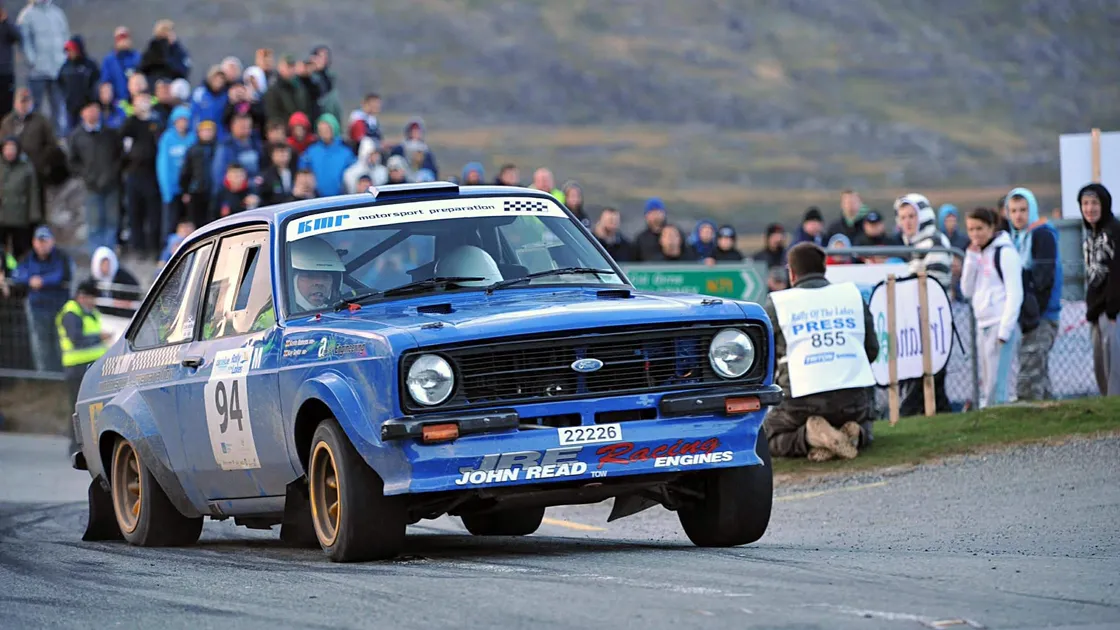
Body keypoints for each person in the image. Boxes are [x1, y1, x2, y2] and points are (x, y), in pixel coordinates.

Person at [763, 242, 879, 461]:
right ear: (824, 268)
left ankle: (810, 437)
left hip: (801, 403)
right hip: (853, 401)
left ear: (792, 273)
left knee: (766, 437)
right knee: (867, 426)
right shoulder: (852, 296)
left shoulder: (779, 303)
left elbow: (764, 360)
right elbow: (871, 351)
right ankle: (854, 434)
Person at [893, 193, 953, 414]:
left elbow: (934, 285)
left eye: (912, 216)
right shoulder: (913, 246)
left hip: (934, 322)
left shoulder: (934, 242)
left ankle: (906, 414)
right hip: (915, 324)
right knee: (931, 384)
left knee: (929, 377)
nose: (907, 222)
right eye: (903, 217)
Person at [960, 207, 1022, 408]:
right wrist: (970, 259)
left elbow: (1015, 293)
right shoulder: (978, 254)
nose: (975, 234)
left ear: (991, 227)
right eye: (971, 229)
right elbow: (967, 290)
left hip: (999, 324)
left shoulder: (1005, 253)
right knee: (987, 383)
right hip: (983, 324)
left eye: (979, 228)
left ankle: (1000, 417)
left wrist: (1005, 330)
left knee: (998, 384)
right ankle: (991, 415)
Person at [1005, 187, 1062, 401]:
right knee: (1039, 372)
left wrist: (1034, 313)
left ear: (1032, 210)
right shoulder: (1016, 237)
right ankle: (1048, 409)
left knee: (1029, 375)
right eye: (1013, 211)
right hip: (1026, 315)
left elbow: (1044, 279)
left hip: (1041, 315)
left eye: (1023, 210)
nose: (1018, 215)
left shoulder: (1042, 234)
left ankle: (1028, 410)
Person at [56, 279, 110, 457]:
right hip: (77, 368)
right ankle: (76, 447)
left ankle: (90, 446)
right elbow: (76, 339)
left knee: (92, 408)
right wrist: (99, 337)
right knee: (78, 409)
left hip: (92, 367)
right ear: (82, 297)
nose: (93, 302)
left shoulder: (91, 313)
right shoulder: (71, 313)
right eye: (91, 298)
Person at [11, 225, 71, 371]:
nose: (42, 245)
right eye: (39, 241)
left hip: (59, 308)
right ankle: (45, 377)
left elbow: (62, 275)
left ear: (52, 241)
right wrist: (30, 280)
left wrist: (42, 281)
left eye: (45, 241)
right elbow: (16, 275)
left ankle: (62, 376)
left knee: (60, 344)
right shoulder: (28, 257)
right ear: (34, 242)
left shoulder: (61, 257)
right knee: (41, 346)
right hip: (37, 309)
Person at [1079, 184, 1120, 395]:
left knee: (1114, 368)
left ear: (1104, 205)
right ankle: (1107, 405)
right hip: (1096, 310)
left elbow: (1117, 273)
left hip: (1112, 312)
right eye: (1085, 203)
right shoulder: (1090, 237)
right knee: (1100, 366)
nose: (1090, 208)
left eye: (1095, 203)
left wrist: (1112, 310)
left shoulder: (1114, 232)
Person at [68, 100, 122, 251]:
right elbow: (72, 161)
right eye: (89, 109)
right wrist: (86, 175)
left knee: (111, 221)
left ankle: (109, 255)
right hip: (91, 186)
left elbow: (119, 155)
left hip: (111, 184)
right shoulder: (76, 136)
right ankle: (96, 256)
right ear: (82, 113)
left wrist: (112, 173)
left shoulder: (110, 133)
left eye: (95, 109)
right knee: (94, 224)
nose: (92, 112)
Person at [121, 91, 164, 257]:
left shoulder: (156, 121)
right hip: (133, 172)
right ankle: (138, 247)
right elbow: (122, 139)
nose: (143, 104)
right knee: (135, 212)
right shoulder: (131, 122)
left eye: (145, 100)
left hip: (151, 173)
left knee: (153, 213)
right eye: (139, 101)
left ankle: (153, 246)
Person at [17, 0, 69, 135]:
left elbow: (65, 37)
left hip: (58, 70)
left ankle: (58, 139)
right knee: (35, 108)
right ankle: (34, 137)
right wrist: (33, 61)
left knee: (58, 107)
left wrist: (64, 58)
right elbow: (24, 42)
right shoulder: (26, 15)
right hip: (37, 71)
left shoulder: (57, 13)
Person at [156, 105, 194, 240]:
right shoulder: (167, 138)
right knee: (170, 222)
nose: (183, 123)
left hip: (188, 189)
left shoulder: (192, 138)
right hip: (171, 190)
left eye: (185, 120)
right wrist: (166, 190)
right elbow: (163, 165)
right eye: (180, 120)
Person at [0, 136, 39, 258]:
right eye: (7, 149)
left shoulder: (26, 167)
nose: (9, 152)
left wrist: (34, 216)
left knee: (21, 250)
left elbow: (33, 192)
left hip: (20, 216)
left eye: (12, 149)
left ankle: (19, 268)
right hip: (2, 215)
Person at [297, 113, 354, 197]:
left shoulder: (346, 152)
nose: (324, 132)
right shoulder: (311, 151)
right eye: (321, 130)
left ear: (334, 129)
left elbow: (352, 175)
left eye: (327, 129)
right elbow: (302, 171)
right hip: (316, 198)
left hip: (340, 198)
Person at [211, 113, 263, 200]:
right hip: (233, 195)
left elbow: (262, 166)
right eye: (242, 127)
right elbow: (219, 176)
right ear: (233, 126)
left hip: (255, 191)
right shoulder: (225, 146)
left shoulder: (255, 143)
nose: (246, 129)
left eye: (248, 126)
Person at [178, 120, 217, 227]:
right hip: (197, 191)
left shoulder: (219, 148)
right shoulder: (193, 150)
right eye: (204, 131)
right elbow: (186, 171)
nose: (207, 133)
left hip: (214, 192)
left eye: (209, 131)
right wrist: (185, 191)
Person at [289, 235, 343, 312]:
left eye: (325, 276)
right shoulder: (274, 316)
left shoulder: (349, 313)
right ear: (290, 281)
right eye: (309, 276)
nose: (319, 282)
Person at [57, 36, 99, 135]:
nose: (69, 53)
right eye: (68, 51)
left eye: (72, 50)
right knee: (71, 134)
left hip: (87, 107)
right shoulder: (65, 67)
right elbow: (60, 83)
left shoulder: (89, 65)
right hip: (71, 109)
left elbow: (96, 82)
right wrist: (66, 98)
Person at [90, 245, 141, 317]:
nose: (105, 267)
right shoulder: (92, 280)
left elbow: (134, 292)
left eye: (107, 264)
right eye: (103, 264)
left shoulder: (123, 277)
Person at [137, 19, 191, 84]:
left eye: (170, 32)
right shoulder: (152, 49)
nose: (170, 35)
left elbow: (184, 70)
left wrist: (169, 61)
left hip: (173, 83)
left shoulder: (178, 50)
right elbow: (142, 68)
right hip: (154, 83)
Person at [265, 55, 311, 126]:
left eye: (293, 66)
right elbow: (273, 115)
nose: (291, 70)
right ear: (280, 67)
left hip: (300, 128)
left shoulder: (300, 86)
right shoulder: (274, 89)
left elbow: (306, 108)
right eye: (288, 66)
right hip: (284, 128)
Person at [189, 65, 228, 131]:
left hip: (217, 132)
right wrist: (195, 131)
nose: (219, 81)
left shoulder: (225, 97)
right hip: (201, 131)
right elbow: (194, 114)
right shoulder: (200, 93)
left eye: (221, 79)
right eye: (216, 79)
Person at [0, 5, 20, 122]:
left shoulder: (5, 25)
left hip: (5, 72)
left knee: (7, 107)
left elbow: (18, 36)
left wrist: (6, 21)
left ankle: (5, 130)